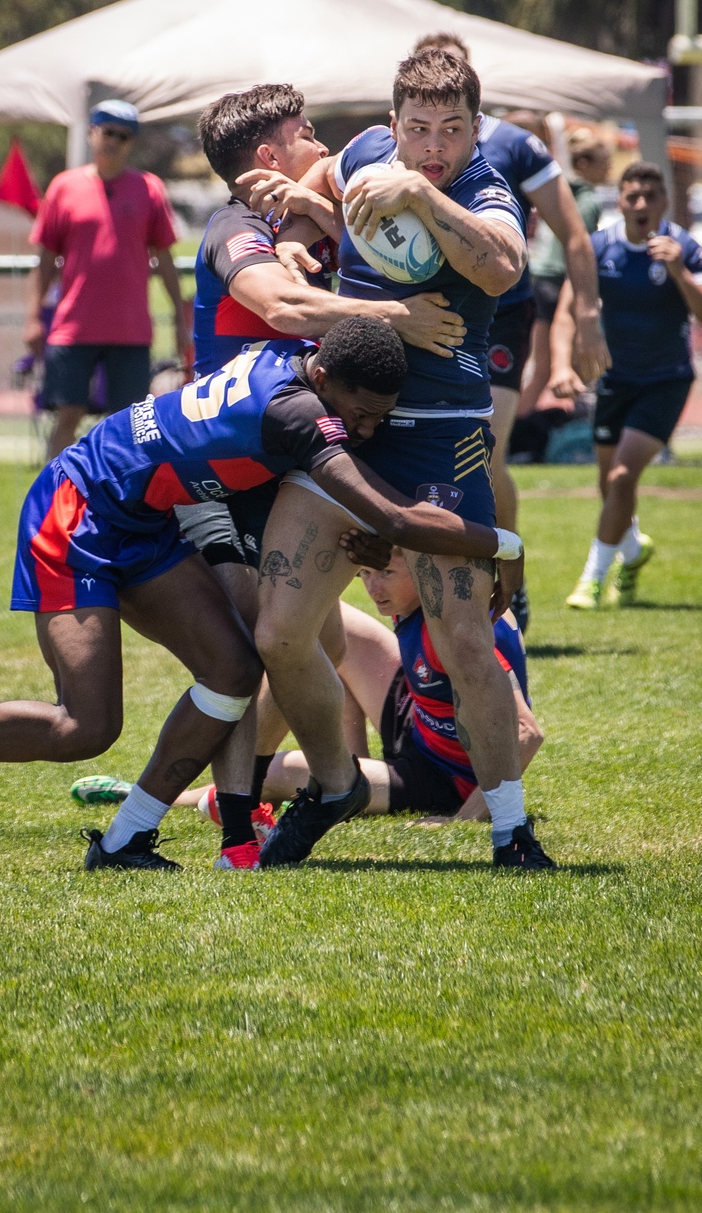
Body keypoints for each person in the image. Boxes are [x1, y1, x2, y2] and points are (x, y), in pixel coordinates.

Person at [0, 319, 526, 872]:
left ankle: (124, 841)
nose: (368, 429)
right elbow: (398, 519)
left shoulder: (291, 353)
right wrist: (506, 545)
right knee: (85, 727)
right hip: (77, 508)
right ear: (322, 378)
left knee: (232, 670)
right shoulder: (299, 415)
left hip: (144, 517)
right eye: (363, 413)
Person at [238, 48, 555, 871]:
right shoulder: (366, 154)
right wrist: (305, 226)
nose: (433, 145)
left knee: (461, 637)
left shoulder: (484, 192)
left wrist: (419, 192)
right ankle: (335, 782)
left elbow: (503, 264)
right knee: (278, 632)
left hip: (438, 440)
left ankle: (510, 831)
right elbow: (328, 184)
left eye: (452, 130)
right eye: (418, 130)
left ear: (476, 130)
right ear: (392, 125)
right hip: (342, 430)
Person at [175, 84, 468, 839]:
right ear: (269, 155)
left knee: (309, 638)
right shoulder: (235, 227)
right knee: (261, 648)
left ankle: (279, 794)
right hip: (233, 468)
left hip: (296, 456)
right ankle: (243, 812)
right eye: (306, 133)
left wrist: (321, 213)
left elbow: (347, 182)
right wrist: (393, 316)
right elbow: (285, 309)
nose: (322, 142)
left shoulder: (309, 215)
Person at [73, 552, 544, 828]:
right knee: (311, 623)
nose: (373, 588)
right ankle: (345, 775)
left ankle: (161, 795)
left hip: (445, 779)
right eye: (364, 574)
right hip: (419, 719)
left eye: (385, 574)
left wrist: (463, 820)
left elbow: (524, 734)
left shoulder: (460, 629)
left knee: (277, 773)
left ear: (420, 567)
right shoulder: (426, 592)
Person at [413, 33, 609, 629]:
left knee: (485, 447)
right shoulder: (399, 140)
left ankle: (508, 574)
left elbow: (574, 234)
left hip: (502, 314)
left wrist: (590, 319)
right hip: (427, 310)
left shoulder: (513, 145)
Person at [553, 162, 702, 609]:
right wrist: (561, 367)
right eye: (633, 195)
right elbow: (567, 311)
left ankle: (592, 579)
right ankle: (631, 552)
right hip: (616, 379)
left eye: (651, 196)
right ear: (621, 200)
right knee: (610, 487)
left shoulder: (685, 248)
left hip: (666, 381)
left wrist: (679, 273)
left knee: (623, 475)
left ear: (665, 202)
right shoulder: (599, 249)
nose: (642, 204)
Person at [23, 99, 189, 459]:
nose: (114, 141)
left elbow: (164, 258)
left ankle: (118, 499)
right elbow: (45, 261)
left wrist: (179, 318)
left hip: (130, 329)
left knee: (128, 420)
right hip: (74, 327)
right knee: (67, 413)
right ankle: (52, 500)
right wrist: (33, 318)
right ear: (92, 133)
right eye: (108, 131)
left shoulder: (150, 188)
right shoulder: (64, 188)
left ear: (132, 143)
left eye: (124, 136)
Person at [520, 127, 610, 418]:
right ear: (583, 163)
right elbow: (578, 248)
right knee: (547, 371)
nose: (607, 166)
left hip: (538, 280)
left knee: (542, 370)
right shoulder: (587, 201)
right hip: (556, 282)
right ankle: (511, 435)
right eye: (601, 160)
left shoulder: (559, 190)